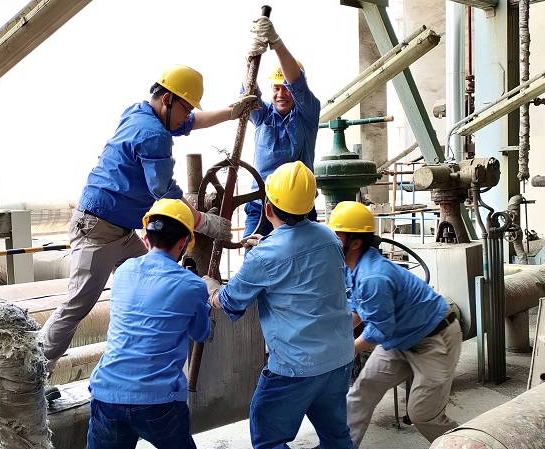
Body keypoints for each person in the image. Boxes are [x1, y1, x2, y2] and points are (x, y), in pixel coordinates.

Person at [41, 64, 256, 379]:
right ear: (168, 99)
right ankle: (32, 376)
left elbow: (192, 122)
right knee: (77, 306)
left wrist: (231, 112)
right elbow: (163, 192)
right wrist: (202, 222)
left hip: (120, 230)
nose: (187, 116)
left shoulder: (140, 112)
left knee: (157, 278)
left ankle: (143, 363)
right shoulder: (153, 133)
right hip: (97, 230)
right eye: (185, 108)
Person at [204, 161, 355, 449]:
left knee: (268, 438)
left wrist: (209, 287)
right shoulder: (330, 239)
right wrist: (267, 244)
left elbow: (229, 300)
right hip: (339, 359)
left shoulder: (265, 257)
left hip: (295, 367)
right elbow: (302, 263)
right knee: (335, 436)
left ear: (267, 208)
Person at [327, 201, 463, 447]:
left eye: (337, 235)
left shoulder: (373, 277)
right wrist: (337, 338)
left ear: (355, 243)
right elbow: (358, 309)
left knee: (424, 414)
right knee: (362, 392)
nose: (331, 241)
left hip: (434, 339)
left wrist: (346, 350)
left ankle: (470, 444)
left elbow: (379, 330)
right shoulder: (353, 266)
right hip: (401, 340)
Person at [86, 198, 211, 449]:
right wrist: (205, 296)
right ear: (184, 243)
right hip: (159, 400)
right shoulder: (192, 285)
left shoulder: (123, 271)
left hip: (108, 392)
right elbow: (201, 333)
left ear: (145, 239)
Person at [243, 16, 321, 238]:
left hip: (298, 208)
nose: (280, 94)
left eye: (285, 88)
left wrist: (276, 43)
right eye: (276, 88)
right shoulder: (262, 114)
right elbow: (248, 93)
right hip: (261, 205)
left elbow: (297, 84)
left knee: (304, 257)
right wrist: (249, 62)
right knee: (253, 255)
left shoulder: (308, 113)